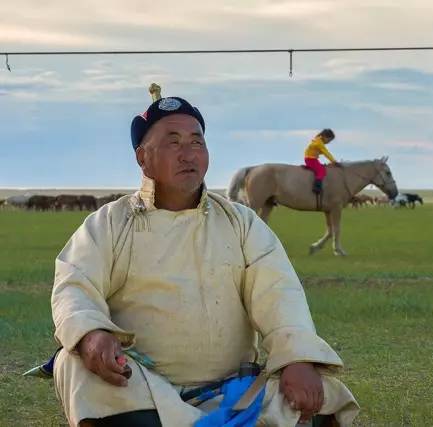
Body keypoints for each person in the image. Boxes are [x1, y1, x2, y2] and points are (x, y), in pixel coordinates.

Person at [50, 87, 358, 426]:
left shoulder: (241, 222)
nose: (188, 154)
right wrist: (92, 334)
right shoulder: (108, 223)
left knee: (322, 396)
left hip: (236, 390)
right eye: (173, 142)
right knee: (73, 362)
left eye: (197, 142)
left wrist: (296, 358)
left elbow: (278, 292)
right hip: (141, 387)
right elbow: (74, 284)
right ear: (142, 157)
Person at [304, 129, 339, 194]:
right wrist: (334, 161)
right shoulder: (319, 143)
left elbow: (319, 151)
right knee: (321, 171)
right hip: (311, 159)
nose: (329, 142)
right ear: (325, 136)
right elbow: (326, 153)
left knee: (320, 167)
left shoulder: (317, 140)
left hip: (310, 158)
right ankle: (317, 187)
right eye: (329, 140)